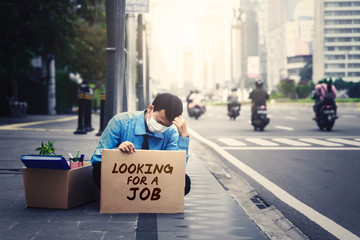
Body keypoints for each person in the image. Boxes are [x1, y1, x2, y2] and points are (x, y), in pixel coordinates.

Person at [91, 93, 191, 195]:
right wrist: (116, 153)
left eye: (166, 126)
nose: (161, 128)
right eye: (159, 122)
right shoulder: (120, 122)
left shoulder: (171, 132)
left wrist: (183, 137)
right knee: (98, 170)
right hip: (123, 177)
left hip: (154, 182)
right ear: (150, 109)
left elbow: (176, 168)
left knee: (184, 182)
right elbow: (97, 158)